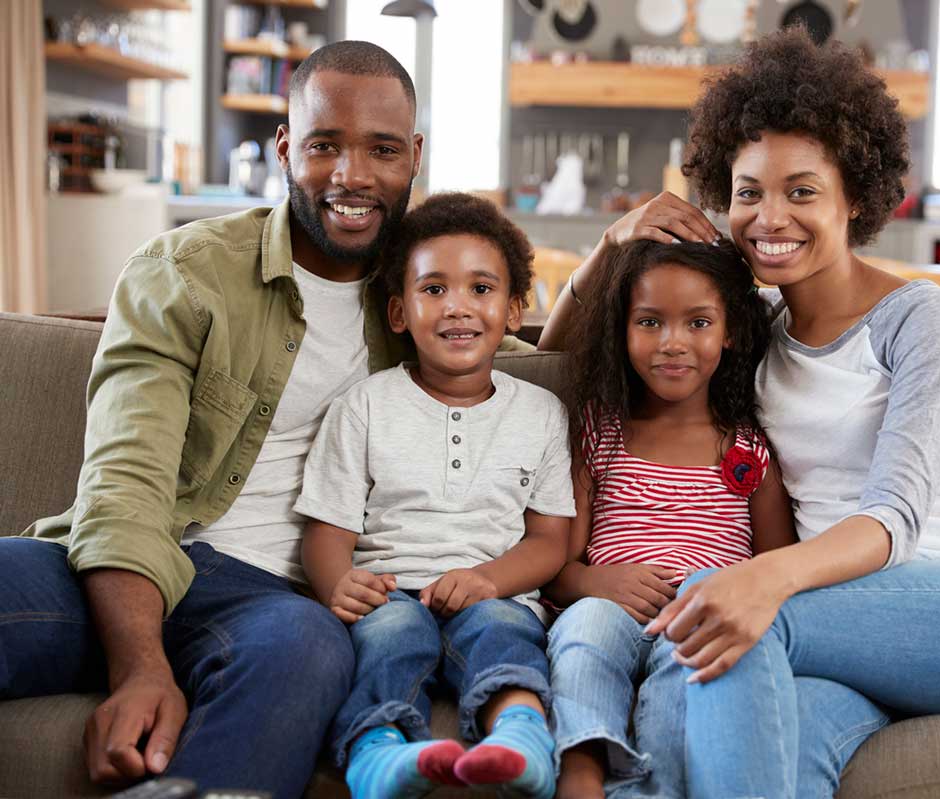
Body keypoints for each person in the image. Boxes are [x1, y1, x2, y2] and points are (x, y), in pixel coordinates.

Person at [541, 28, 940, 798]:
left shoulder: (922, 318)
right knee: (744, 730)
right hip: (846, 631)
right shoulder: (757, 332)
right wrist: (613, 244)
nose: (769, 216)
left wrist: (757, 581)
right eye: (749, 192)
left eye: (802, 191)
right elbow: (557, 359)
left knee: (721, 609)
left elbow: (896, 520)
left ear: (857, 196)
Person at [0, 42, 524, 799]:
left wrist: (607, 253)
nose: (351, 176)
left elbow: (527, 343)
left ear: (414, 157)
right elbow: (126, 483)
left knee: (309, 644)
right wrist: (140, 664)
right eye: (323, 145)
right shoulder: (185, 272)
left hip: (272, 609)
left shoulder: (422, 301)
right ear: (285, 147)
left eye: (381, 150)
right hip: (130, 564)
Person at [296, 191, 574, 799]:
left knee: (504, 630)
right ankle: (378, 750)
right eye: (433, 289)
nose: (458, 308)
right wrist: (337, 584)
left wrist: (488, 580)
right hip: (390, 591)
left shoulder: (541, 414)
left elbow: (550, 541)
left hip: (495, 591)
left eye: (481, 289)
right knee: (391, 638)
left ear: (513, 309)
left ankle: (521, 737)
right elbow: (326, 532)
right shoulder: (365, 405)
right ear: (398, 312)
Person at [542, 239, 795, 799]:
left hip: (695, 620)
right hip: (603, 605)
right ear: (623, 332)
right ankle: (580, 766)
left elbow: (778, 572)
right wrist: (594, 581)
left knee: (688, 674)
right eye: (650, 322)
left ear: (728, 332)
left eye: (698, 322)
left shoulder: (747, 450)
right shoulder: (601, 431)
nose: (672, 344)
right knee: (585, 636)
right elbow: (556, 563)